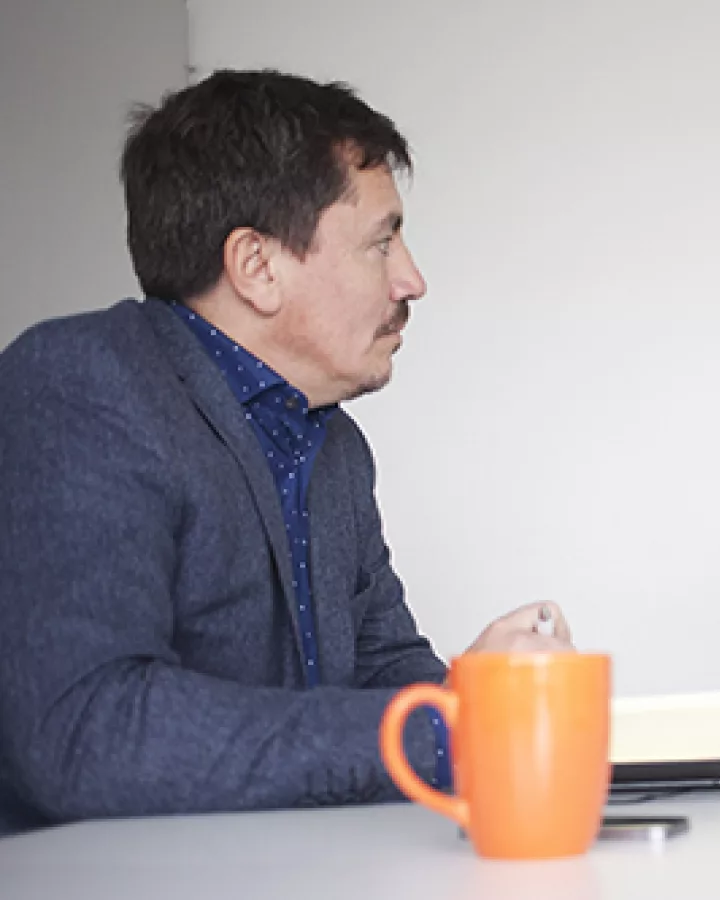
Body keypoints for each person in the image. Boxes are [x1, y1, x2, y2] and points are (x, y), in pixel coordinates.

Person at [0, 70, 574, 834]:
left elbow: (384, 672)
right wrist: (446, 726)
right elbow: (87, 731)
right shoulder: (83, 382)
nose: (413, 280)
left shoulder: (333, 444)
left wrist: (495, 707)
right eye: (381, 242)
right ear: (258, 267)